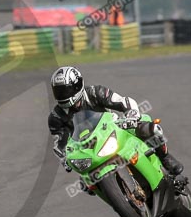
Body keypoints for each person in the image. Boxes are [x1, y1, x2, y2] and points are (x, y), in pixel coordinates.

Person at [48, 66, 183, 179]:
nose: (63, 95)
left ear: (77, 85)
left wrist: (131, 114)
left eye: (66, 90)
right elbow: (60, 143)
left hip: (113, 128)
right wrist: (65, 158)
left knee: (149, 128)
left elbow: (123, 101)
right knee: (85, 182)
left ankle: (165, 157)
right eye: (59, 91)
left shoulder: (95, 93)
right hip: (87, 148)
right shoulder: (56, 117)